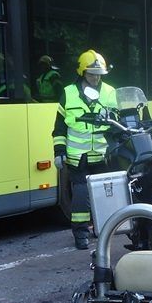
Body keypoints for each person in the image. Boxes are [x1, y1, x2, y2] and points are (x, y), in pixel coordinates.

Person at [52, 50, 118, 250]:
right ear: (82, 72)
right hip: (77, 156)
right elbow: (59, 128)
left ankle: (104, 230)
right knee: (81, 194)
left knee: (105, 194)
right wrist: (59, 152)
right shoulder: (68, 93)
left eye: (99, 74)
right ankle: (80, 233)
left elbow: (117, 122)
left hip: (102, 154)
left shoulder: (110, 92)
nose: (96, 78)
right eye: (91, 74)